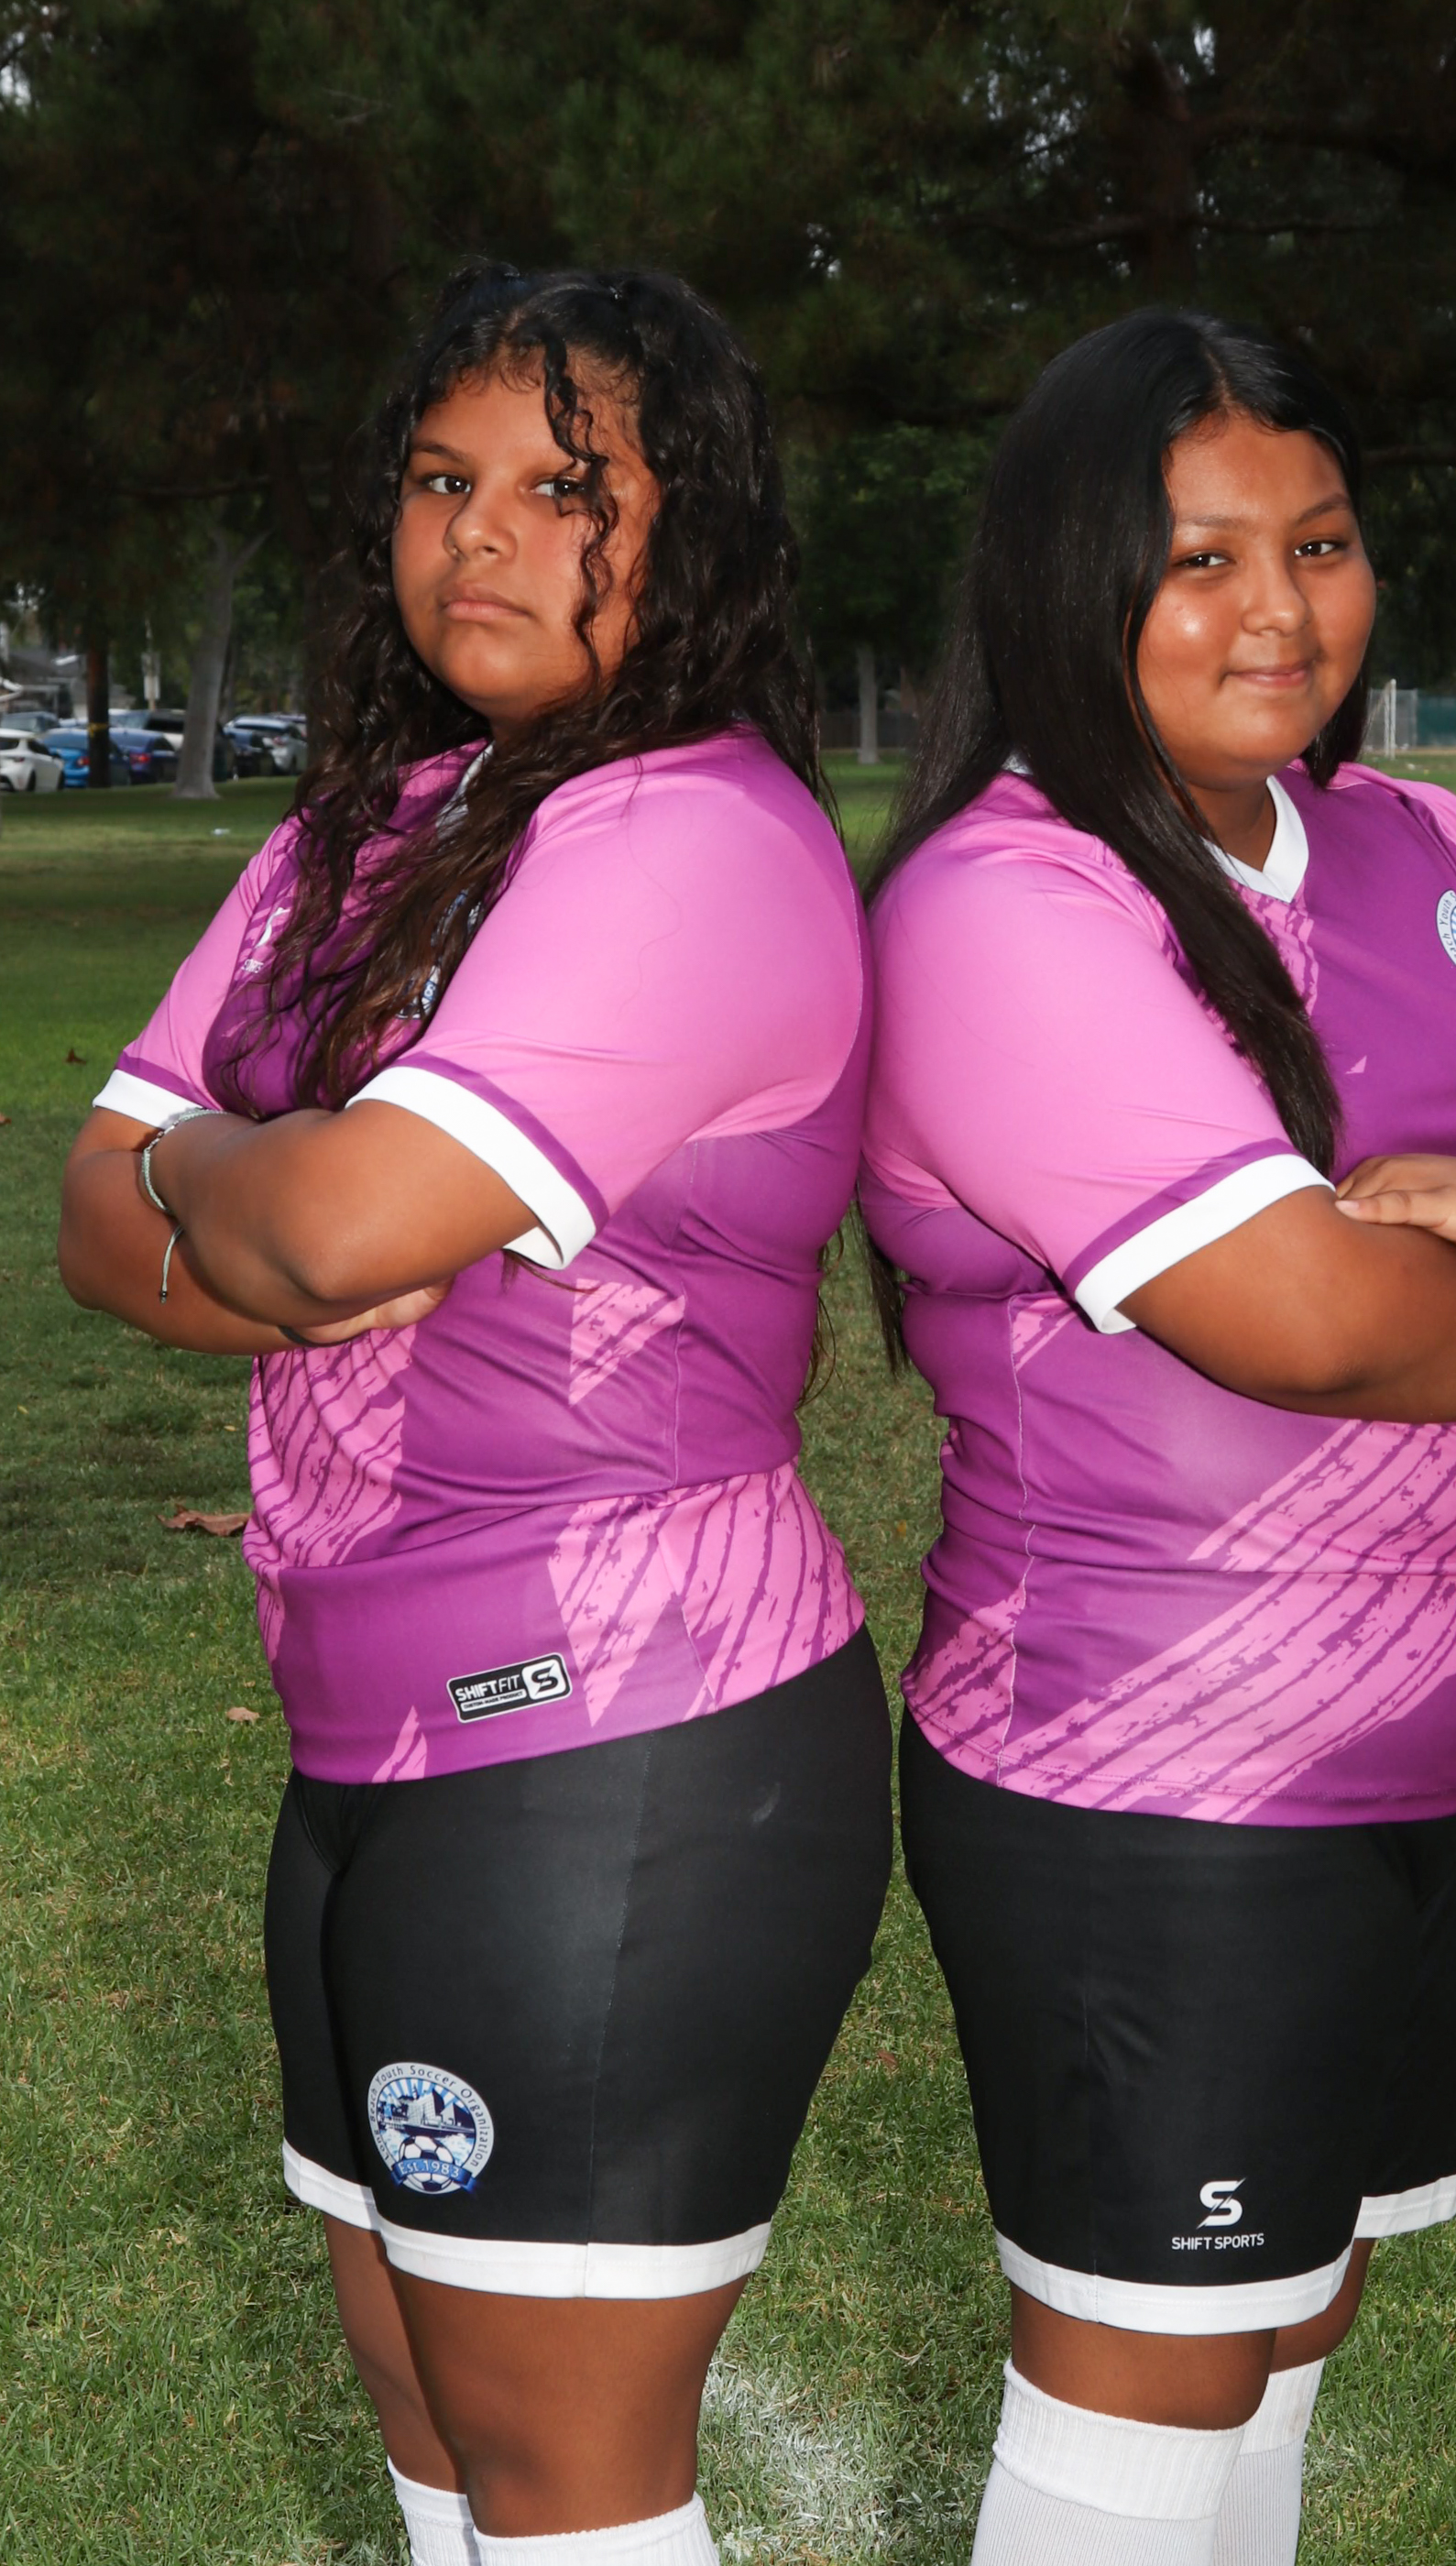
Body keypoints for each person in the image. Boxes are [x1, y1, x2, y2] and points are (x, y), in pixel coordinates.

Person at [859, 310, 1456, 2566]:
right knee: (1145, 2381)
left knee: (1285, 2330)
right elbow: (1314, 1318)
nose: (1276, 609)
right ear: (1066, 575)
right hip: (1154, 1774)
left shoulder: (1423, 840)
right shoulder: (1010, 901)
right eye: (1197, 557)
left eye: (1319, 541)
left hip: (1426, 1751)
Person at [58, 266, 891, 2566]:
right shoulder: (372, 825)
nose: (485, 535)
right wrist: (239, 1191)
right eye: (443, 480)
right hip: (366, 1739)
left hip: (613, 1742)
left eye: (566, 488)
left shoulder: (687, 837)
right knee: (435, 2438)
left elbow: (325, 1229)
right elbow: (103, 1219)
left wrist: (227, 1179)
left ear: (695, 526)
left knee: (565, 2490)